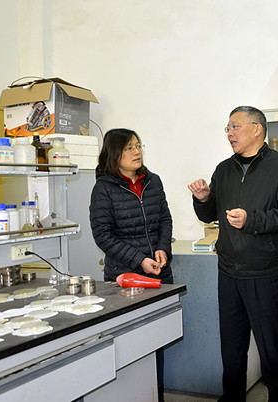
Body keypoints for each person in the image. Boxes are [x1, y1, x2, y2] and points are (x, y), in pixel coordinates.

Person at [188, 106, 278, 402]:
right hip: (229, 272)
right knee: (232, 349)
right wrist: (203, 199)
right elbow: (210, 214)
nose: (230, 133)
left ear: (257, 129)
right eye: (227, 128)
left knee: (271, 349)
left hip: (264, 271)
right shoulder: (224, 169)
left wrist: (252, 220)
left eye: (235, 126)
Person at [89, 128, 173, 401]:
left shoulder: (153, 181)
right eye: (129, 148)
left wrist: (162, 248)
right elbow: (103, 235)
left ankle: (156, 395)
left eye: (138, 146)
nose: (137, 152)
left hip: (158, 273)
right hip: (125, 278)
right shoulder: (103, 189)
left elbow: (165, 219)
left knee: (157, 338)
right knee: (130, 341)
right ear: (114, 154)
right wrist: (139, 260)